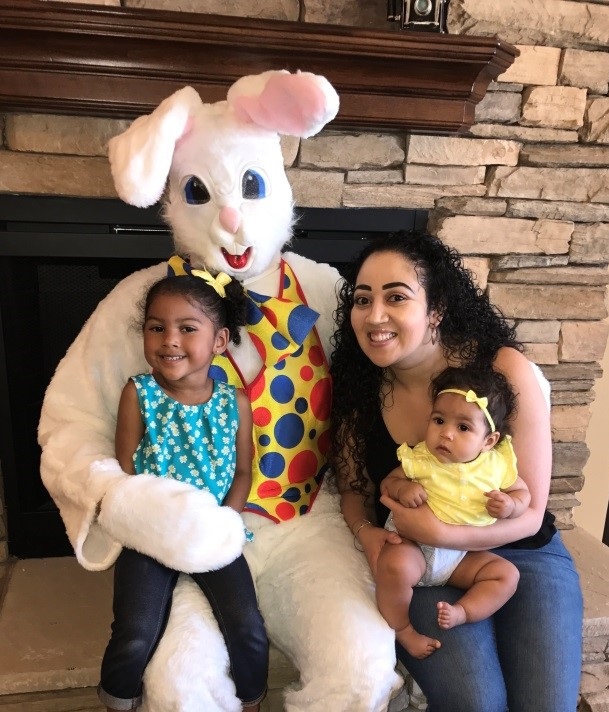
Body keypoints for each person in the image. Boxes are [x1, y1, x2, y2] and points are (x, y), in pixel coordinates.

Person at [329, 230, 583, 711]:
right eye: (363, 300)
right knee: (476, 703)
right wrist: (367, 534)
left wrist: (441, 530)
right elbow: (352, 492)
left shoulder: (503, 369)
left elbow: (530, 516)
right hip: (426, 569)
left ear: (437, 309)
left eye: (396, 297)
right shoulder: (357, 390)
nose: (375, 315)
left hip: (524, 553)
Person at [98, 270, 269, 712]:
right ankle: (118, 698)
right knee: (135, 629)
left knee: (247, 625)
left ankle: (251, 699)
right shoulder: (138, 394)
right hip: (153, 530)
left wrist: (224, 524)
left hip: (212, 530)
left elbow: (243, 472)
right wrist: (145, 523)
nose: (169, 340)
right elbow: (126, 469)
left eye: (187, 328)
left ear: (219, 340)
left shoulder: (236, 402)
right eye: (156, 327)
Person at [376, 365, 530, 659]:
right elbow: (389, 482)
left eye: (463, 427)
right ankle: (403, 630)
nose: (446, 434)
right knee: (394, 565)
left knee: (505, 575)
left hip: (462, 557)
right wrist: (401, 489)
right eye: (438, 420)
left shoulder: (495, 466)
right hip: (414, 548)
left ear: (488, 441)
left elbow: (523, 494)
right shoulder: (421, 457)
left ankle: (464, 611)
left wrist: (510, 506)